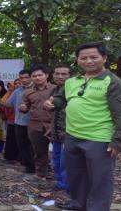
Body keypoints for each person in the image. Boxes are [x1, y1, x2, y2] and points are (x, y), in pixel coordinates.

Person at [49, 42, 121, 211]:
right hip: (72, 136)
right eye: (84, 58)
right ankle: (79, 203)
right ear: (78, 60)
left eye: (93, 57)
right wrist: (52, 102)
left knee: (100, 179)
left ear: (104, 58)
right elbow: (62, 99)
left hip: (99, 139)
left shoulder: (114, 83)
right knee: (76, 175)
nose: (88, 61)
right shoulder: (72, 81)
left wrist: (119, 142)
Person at [19, 65, 55, 178]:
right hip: (35, 125)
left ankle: (59, 176)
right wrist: (23, 108)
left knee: (59, 152)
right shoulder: (27, 92)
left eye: (40, 75)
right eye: (34, 76)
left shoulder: (55, 89)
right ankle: (41, 174)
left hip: (54, 124)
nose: (37, 78)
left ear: (47, 76)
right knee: (39, 152)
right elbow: (25, 107)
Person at [43, 64, 71, 192]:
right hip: (56, 131)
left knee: (66, 161)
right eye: (57, 73)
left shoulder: (72, 88)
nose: (60, 76)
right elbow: (52, 109)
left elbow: (59, 103)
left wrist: (52, 103)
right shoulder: (53, 90)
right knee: (56, 158)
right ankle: (60, 183)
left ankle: (69, 187)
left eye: (64, 74)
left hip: (69, 132)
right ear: (53, 75)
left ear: (70, 76)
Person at [0, 70, 35, 173]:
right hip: (19, 123)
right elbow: (9, 104)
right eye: (21, 78)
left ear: (31, 77)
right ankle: (29, 167)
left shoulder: (37, 89)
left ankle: (40, 167)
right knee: (22, 146)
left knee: (34, 147)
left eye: (26, 77)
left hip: (33, 123)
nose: (24, 80)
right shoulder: (17, 91)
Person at [2, 79, 20, 162]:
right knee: (11, 139)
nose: (17, 85)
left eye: (19, 83)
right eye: (16, 84)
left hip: (21, 120)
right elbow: (6, 105)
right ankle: (10, 157)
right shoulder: (10, 94)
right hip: (11, 119)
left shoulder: (25, 93)